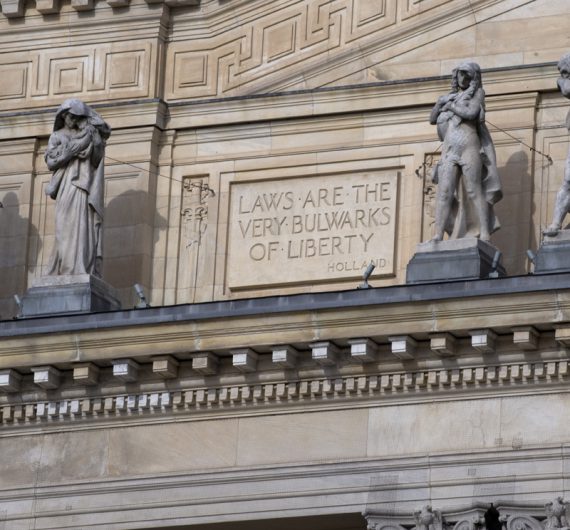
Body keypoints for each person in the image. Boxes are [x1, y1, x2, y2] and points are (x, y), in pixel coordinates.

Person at [429, 61, 502, 242]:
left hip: (469, 146)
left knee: (473, 190)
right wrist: (440, 103)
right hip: (450, 149)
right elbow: (432, 119)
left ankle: (484, 232)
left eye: (466, 74)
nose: (462, 78)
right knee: (445, 192)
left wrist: (451, 106)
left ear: (473, 77)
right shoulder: (450, 97)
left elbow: (471, 113)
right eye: (460, 74)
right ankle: (438, 234)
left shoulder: (477, 93)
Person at [44, 99, 111, 277]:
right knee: (64, 226)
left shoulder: (86, 135)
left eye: (77, 117)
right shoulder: (57, 136)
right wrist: (69, 153)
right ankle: (65, 268)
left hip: (83, 186)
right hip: (67, 186)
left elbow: (96, 159)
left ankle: (80, 267)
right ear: (63, 116)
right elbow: (51, 162)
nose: (73, 120)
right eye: (71, 117)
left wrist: (95, 139)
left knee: (83, 227)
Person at [543, 52, 570, 237]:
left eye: (564, 69)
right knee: (569, 181)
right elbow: (567, 89)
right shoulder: (564, 81)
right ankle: (556, 223)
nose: (562, 74)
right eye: (561, 71)